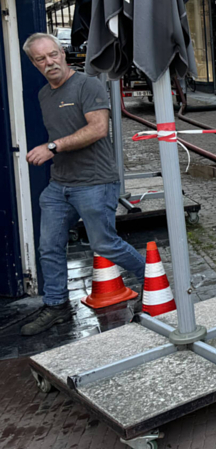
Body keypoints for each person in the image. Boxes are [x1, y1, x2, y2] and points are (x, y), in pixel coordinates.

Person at [20, 33, 146, 336]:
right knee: (48, 246)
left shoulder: (87, 84)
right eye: (41, 59)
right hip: (59, 185)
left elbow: (98, 129)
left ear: (62, 53)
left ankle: (154, 277)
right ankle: (57, 306)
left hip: (95, 182)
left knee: (104, 244)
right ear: (34, 64)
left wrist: (52, 147)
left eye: (53, 54)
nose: (49, 62)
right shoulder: (43, 95)